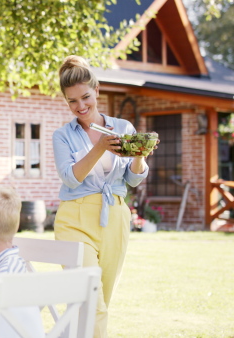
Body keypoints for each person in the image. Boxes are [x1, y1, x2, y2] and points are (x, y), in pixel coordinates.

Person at [52, 55, 158, 338]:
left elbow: (134, 178)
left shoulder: (123, 127)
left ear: (97, 91)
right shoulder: (62, 136)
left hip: (115, 217)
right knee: (90, 300)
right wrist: (100, 147)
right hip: (75, 219)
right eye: (72, 101)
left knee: (100, 303)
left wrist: (139, 155)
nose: (81, 106)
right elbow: (70, 177)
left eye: (86, 97)